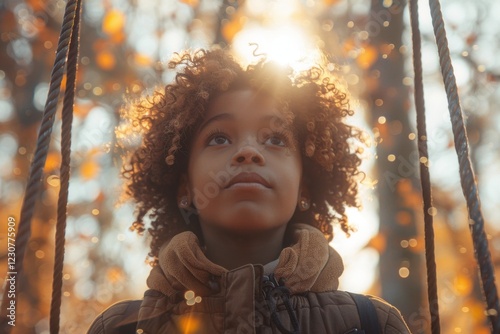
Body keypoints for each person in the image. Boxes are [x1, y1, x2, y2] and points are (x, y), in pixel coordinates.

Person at [87, 49, 411, 333]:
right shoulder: (119, 328)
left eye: (275, 139)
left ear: (305, 186)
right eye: (219, 138)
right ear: (184, 186)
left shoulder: (374, 324)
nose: (247, 152)